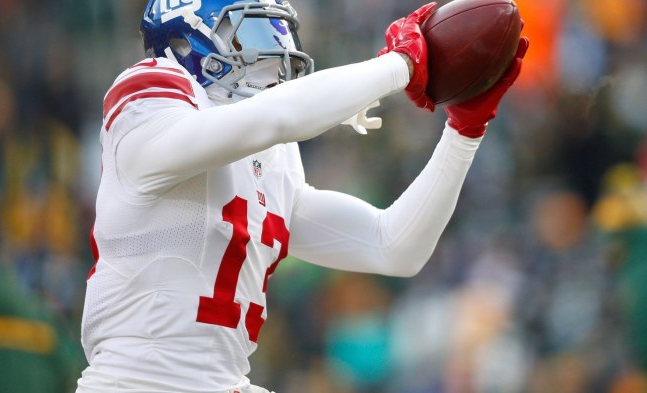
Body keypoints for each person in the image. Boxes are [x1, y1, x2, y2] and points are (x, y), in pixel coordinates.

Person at [77, 1, 529, 392]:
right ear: (185, 41)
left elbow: (394, 246)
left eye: (280, 30)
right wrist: (398, 65)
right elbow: (275, 118)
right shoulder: (148, 92)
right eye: (253, 29)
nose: (278, 50)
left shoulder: (271, 155)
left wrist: (465, 132)